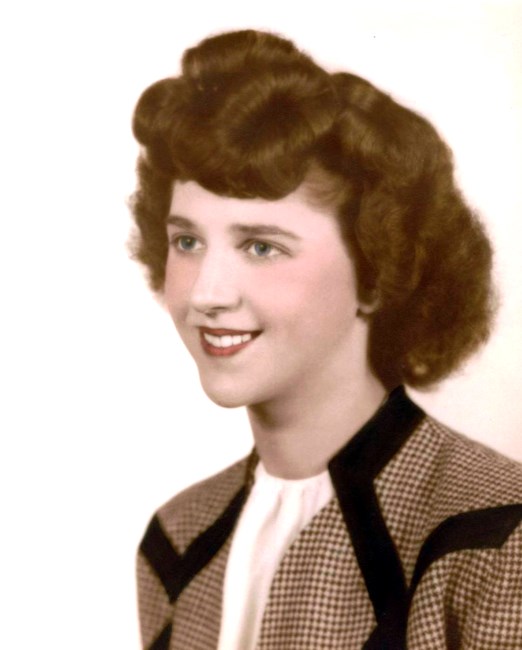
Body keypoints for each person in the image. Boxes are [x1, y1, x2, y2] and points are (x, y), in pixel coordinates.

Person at [130, 29, 522, 650]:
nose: (205, 293)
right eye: (187, 241)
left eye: (261, 247)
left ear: (377, 271)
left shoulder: (494, 538)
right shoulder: (176, 541)